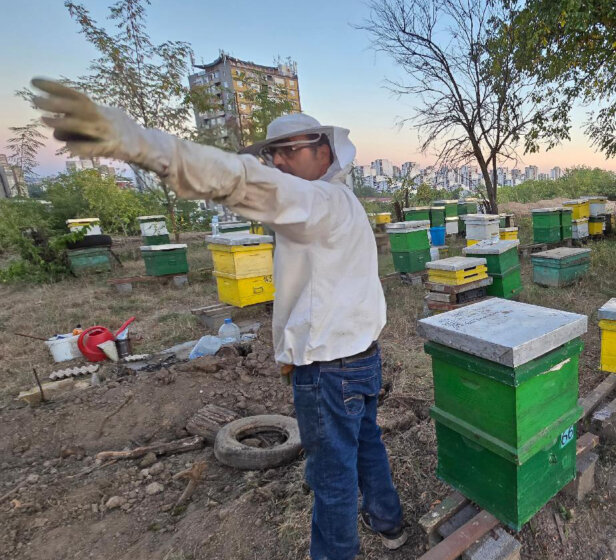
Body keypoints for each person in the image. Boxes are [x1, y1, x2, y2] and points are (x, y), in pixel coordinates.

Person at [30, 78, 406, 559]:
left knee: (332, 478)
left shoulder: (317, 202)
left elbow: (240, 179)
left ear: (322, 149)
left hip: (329, 369)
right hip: (361, 359)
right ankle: (389, 524)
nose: (279, 163)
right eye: (273, 155)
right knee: (366, 445)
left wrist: (139, 143)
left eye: (287, 151)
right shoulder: (344, 202)